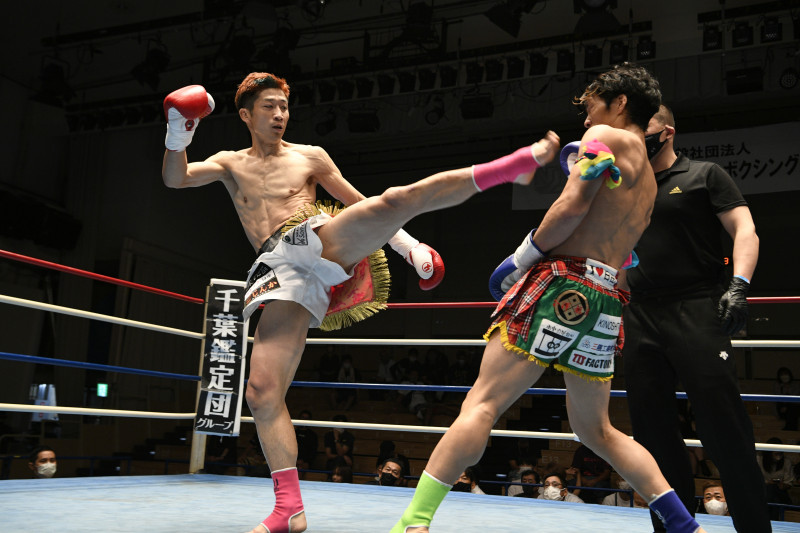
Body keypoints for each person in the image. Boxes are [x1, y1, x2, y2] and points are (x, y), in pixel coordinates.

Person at [162, 71, 560, 533]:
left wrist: (408, 248)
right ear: (247, 115)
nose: (279, 114)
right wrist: (179, 132)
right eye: (269, 107)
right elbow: (177, 178)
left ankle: (505, 170)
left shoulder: (310, 156)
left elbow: (358, 201)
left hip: (317, 240)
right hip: (278, 272)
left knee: (393, 200)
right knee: (261, 393)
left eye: (284, 107)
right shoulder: (230, 163)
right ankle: (289, 509)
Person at [391, 63, 707, 533]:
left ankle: (413, 523)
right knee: (597, 431)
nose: (587, 119)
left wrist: (523, 257)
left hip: (562, 282)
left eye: (593, 106)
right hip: (604, 299)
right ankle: (685, 526)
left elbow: (571, 205)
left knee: (481, 404)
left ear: (620, 103)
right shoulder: (648, 180)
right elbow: (624, 261)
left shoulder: (604, 136)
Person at [622, 104, 769, 532]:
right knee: (652, 436)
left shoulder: (704, 175)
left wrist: (739, 285)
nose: (635, 134)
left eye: (643, 126)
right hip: (639, 314)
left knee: (725, 430)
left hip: (697, 306)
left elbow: (745, 229)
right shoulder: (625, 186)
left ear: (667, 131)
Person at [757, 437, 794, 516]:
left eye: (780, 454)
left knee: (773, 490)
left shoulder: (786, 462)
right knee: (771, 490)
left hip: (780, 492)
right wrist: (767, 483)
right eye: (776, 454)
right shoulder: (759, 459)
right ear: (769, 453)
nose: (778, 457)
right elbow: (754, 480)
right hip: (762, 492)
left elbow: (789, 482)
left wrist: (782, 485)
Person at [774, 367, 800, 431]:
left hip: (793, 407)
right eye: (782, 374)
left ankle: (790, 429)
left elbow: (795, 397)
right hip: (781, 407)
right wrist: (783, 387)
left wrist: (787, 406)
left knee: (793, 409)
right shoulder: (777, 385)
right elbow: (778, 397)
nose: (784, 376)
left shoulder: (796, 385)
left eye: (785, 374)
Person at [294, 410, 318, 476]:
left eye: (306, 418)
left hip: (305, 462)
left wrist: (305, 461)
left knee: (300, 469)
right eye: (303, 418)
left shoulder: (312, 435)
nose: (304, 420)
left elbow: (313, 452)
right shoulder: (293, 432)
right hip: (291, 461)